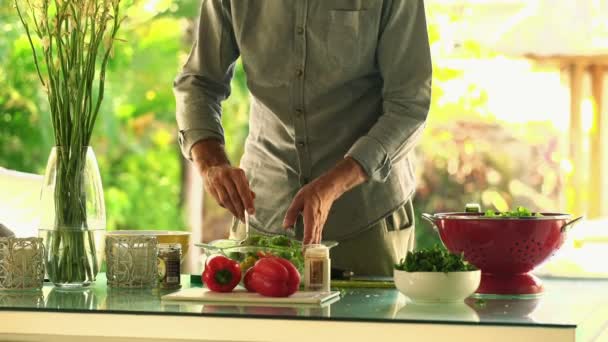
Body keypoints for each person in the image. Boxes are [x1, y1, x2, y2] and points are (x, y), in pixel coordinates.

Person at [174, 0, 432, 276]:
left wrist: (335, 183)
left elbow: (409, 105)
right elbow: (199, 83)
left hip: (366, 222)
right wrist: (211, 163)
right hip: (262, 217)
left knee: (367, 320)